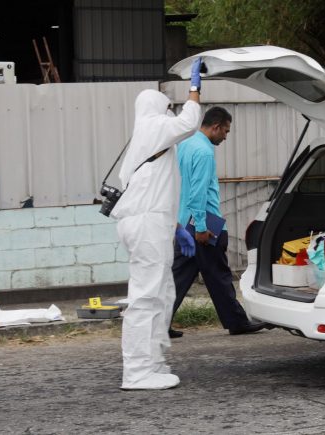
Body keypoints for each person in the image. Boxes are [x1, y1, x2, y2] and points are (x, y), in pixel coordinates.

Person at [110, 58, 203, 390]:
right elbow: (190, 122)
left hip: (153, 223)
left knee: (161, 294)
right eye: (168, 108)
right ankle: (136, 372)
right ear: (158, 108)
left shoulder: (147, 138)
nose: (170, 113)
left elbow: (153, 187)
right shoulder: (153, 126)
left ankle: (155, 363)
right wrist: (194, 88)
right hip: (147, 224)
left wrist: (174, 226)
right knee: (147, 296)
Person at [170, 107, 267, 337]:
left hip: (184, 222)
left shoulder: (185, 144)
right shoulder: (204, 152)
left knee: (178, 277)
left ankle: (157, 322)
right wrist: (202, 228)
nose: (225, 136)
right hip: (205, 223)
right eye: (225, 131)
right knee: (219, 275)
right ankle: (237, 321)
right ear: (215, 127)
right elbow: (198, 192)